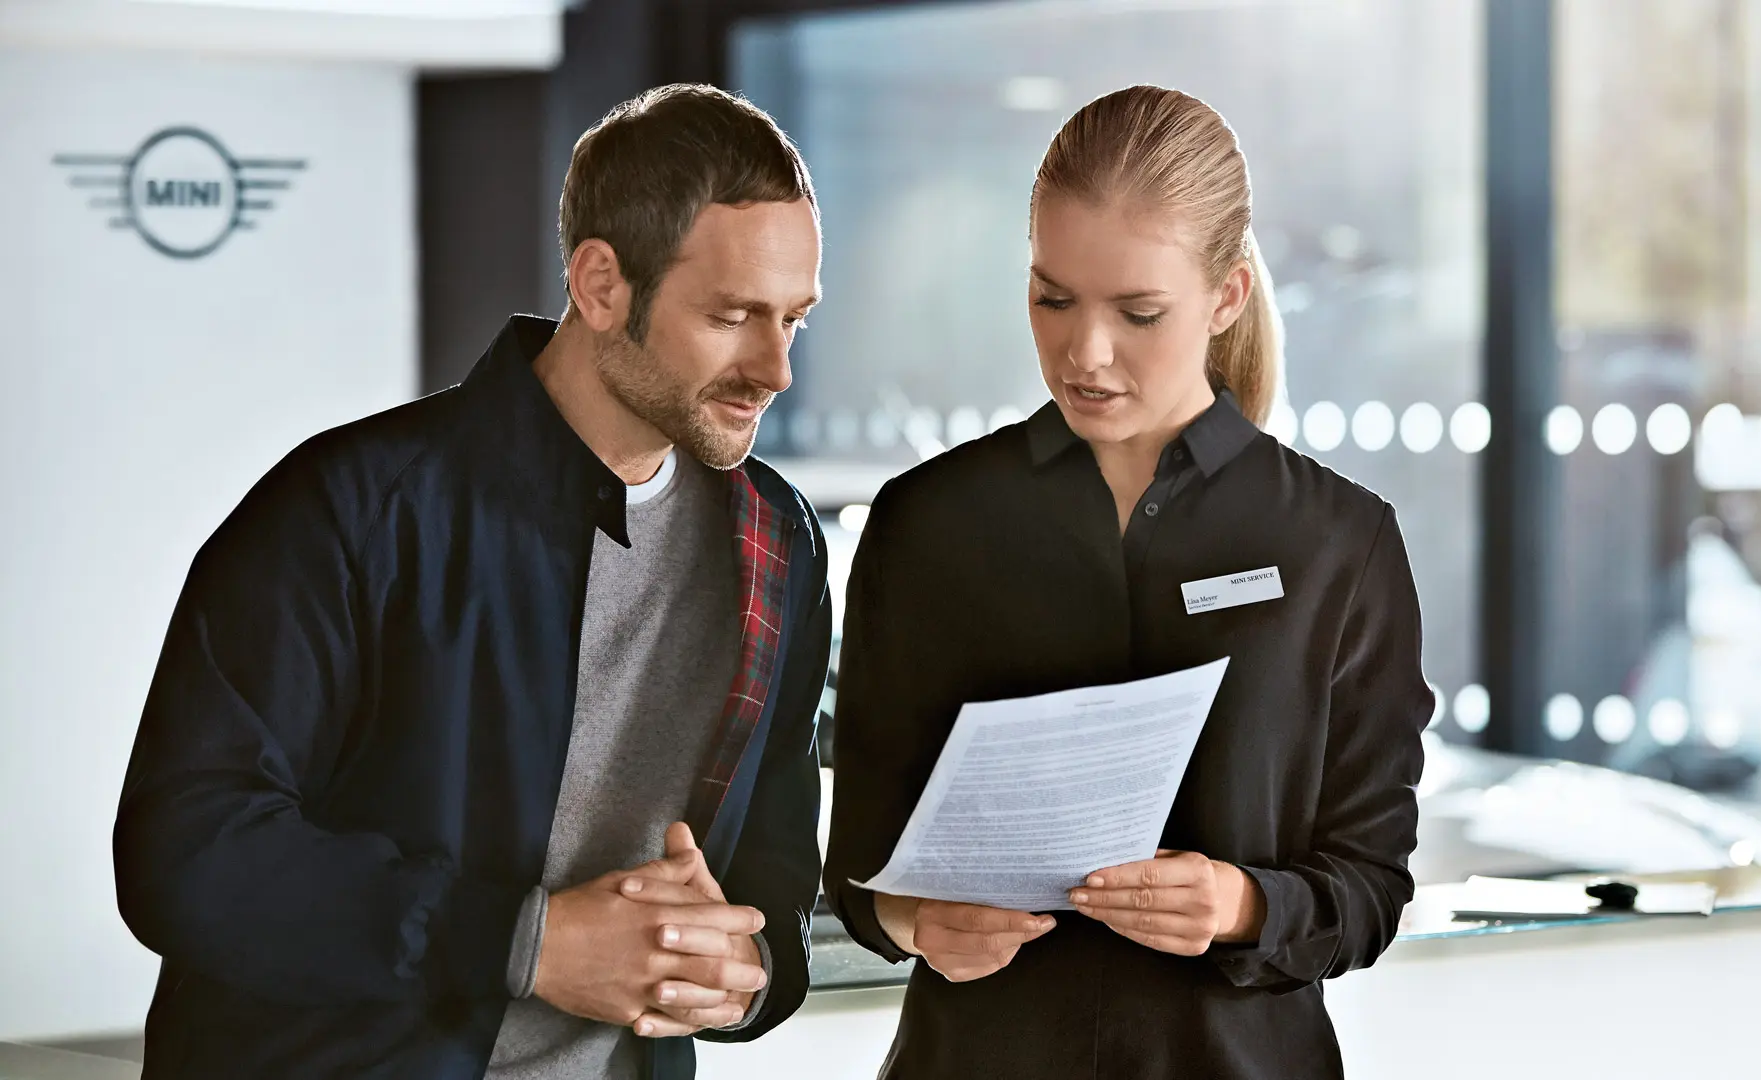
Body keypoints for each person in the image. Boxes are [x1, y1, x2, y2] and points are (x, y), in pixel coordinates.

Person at [114, 84, 832, 1080]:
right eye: (733, 316)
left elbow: (778, 856)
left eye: (794, 318)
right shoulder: (350, 508)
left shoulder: (775, 537)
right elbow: (185, 854)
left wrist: (750, 966)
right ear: (601, 285)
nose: (776, 367)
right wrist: (522, 941)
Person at [823, 84, 1432, 1078]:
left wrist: (1242, 905)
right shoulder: (927, 525)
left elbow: (1369, 884)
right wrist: (915, 919)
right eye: (1052, 297)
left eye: (1138, 312)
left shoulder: (1339, 541)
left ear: (1227, 295)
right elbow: (857, 864)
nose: (1085, 353)